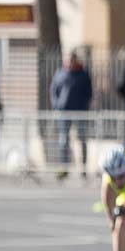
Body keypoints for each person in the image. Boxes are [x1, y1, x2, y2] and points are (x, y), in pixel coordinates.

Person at [49, 50, 92, 178]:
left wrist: (84, 107)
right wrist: (57, 105)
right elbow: (53, 90)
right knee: (63, 140)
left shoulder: (83, 75)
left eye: (72, 60)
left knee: (82, 139)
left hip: (80, 113)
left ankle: (83, 168)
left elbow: (88, 93)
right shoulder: (60, 73)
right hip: (64, 112)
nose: (70, 62)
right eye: (68, 60)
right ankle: (64, 168)